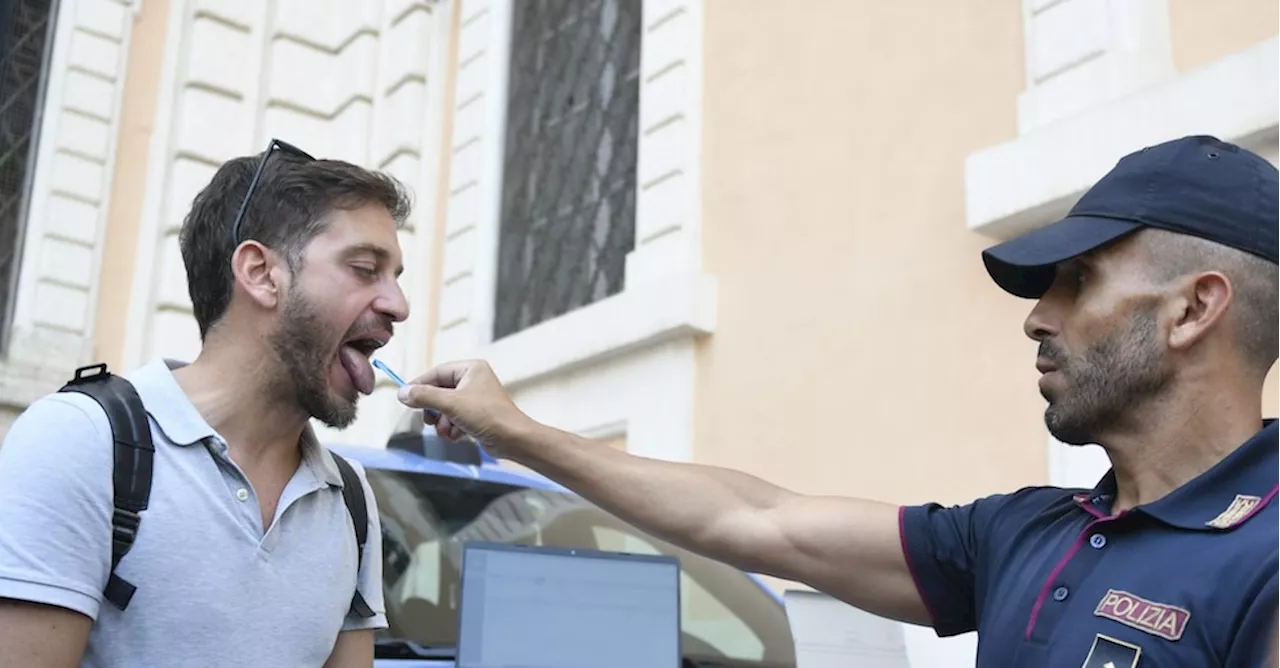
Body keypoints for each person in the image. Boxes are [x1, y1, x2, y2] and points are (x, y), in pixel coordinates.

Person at [397, 135, 1279, 666]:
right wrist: (513, 431)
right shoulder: (1025, 535)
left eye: (1077, 281)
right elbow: (759, 522)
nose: (1037, 319)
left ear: (1193, 309)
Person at [0, 139, 411, 667]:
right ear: (261, 274)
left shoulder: (350, 500)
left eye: (396, 277)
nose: (398, 306)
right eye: (364, 268)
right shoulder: (79, 441)